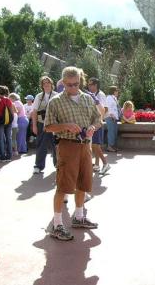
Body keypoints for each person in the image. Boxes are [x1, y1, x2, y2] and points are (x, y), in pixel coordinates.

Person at [44, 66, 101, 241]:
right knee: (64, 185)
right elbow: (47, 127)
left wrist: (93, 127)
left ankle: (78, 216)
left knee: (83, 182)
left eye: (76, 84)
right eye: (69, 85)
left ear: (80, 81)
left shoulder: (87, 99)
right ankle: (57, 223)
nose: (73, 88)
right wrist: (65, 126)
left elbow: (98, 118)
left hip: (85, 145)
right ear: (62, 83)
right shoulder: (55, 102)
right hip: (67, 145)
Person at [31, 76, 58, 174]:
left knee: (56, 145)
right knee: (41, 145)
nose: (46, 84)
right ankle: (38, 166)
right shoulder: (39, 96)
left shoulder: (57, 95)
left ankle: (58, 165)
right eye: (44, 83)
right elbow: (34, 112)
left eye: (48, 82)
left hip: (54, 124)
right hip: (41, 124)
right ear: (42, 85)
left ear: (51, 84)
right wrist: (34, 126)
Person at [87, 77, 110, 175]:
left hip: (98, 123)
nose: (88, 86)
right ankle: (97, 165)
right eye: (88, 84)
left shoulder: (100, 95)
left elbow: (105, 108)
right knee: (95, 145)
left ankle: (105, 163)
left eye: (90, 84)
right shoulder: (90, 94)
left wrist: (100, 120)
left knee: (95, 145)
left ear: (95, 85)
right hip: (92, 122)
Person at [0, 86, 15, 161]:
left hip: (0, 121)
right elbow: (11, 111)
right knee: (9, 138)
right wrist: (11, 120)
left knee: (0, 139)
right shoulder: (8, 100)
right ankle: (9, 156)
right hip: (8, 121)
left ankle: (2, 157)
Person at [105, 86, 120, 152]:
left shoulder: (114, 98)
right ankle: (109, 147)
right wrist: (112, 115)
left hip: (114, 118)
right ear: (113, 91)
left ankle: (113, 146)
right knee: (111, 132)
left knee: (114, 132)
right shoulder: (109, 98)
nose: (118, 92)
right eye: (117, 90)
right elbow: (107, 107)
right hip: (110, 117)